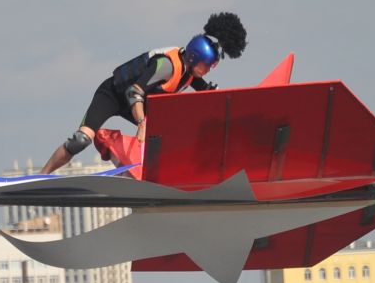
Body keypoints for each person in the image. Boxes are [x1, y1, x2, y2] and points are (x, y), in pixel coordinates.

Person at [39, 12, 247, 174]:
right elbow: (133, 92)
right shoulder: (167, 65)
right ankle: (42, 175)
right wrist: (141, 123)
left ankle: (157, 175)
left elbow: (208, 97)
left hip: (137, 105)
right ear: (194, 58)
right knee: (81, 140)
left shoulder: (191, 73)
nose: (209, 69)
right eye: (207, 65)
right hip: (113, 95)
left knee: (171, 137)